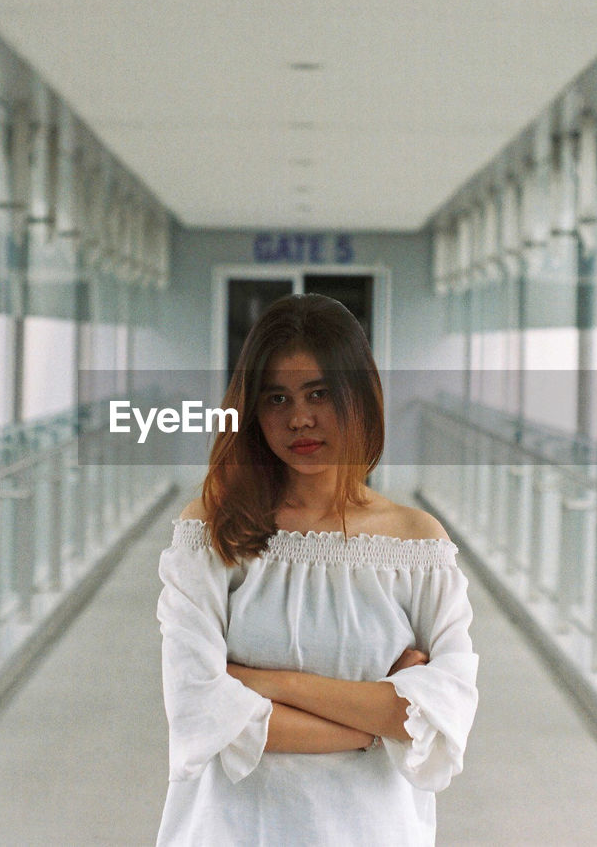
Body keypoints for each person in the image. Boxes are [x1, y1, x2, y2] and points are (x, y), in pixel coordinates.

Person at [156, 293, 479, 845]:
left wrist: (268, 683)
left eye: (319, 394)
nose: (299, 418)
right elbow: (199, 710)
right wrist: (372, 723)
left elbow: (442, 714)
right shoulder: (212, 530)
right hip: (233, 830)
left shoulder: (416, 544)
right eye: (276, 398)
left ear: (358, 397)